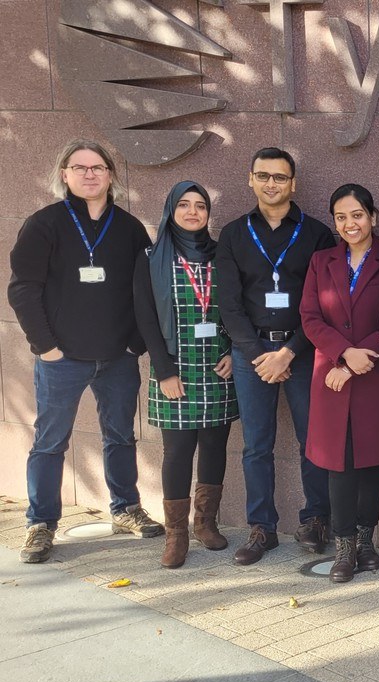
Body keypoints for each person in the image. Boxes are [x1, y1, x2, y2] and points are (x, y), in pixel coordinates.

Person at [10, 139, 162, 564]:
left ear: (110, 175)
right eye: (80, 168)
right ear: (64, 175)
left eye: (97, 167)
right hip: (63, 358)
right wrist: (46, 347)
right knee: (50, 441)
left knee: (119, 435)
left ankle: (126, 509)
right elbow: (23, 289)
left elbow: (145, 291)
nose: (89, 174)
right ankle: (40, 524)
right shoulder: (44, 224)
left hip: (117, 356)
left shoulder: (129, 228)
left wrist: (136, 343)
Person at [215, 147, 336, 565]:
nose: (271, 184)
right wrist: (258, 355)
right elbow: (228, 305)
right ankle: (261, 527)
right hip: (252, 354)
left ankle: (316, 519)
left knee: (312, 441)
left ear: (293, 183)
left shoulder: (317, 234)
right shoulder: (232, 235)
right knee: (256, 446)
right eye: (263, 176)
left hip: (302, 350)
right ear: (251, 179)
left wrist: (287, 352)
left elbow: (324, 303)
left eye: (280, 177)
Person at [300, 183, 379, 583]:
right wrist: (343, 355)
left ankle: (366, 540)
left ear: (373, 217)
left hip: (374, 376)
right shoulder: (320, 262)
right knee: (339, 464)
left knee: (373, 462)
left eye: (357, 215)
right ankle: (343, 545)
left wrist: (356, 359)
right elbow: (310, 318)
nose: (350, 224)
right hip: (331, 378)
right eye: (341, 217)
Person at [133, 181, 239, 569]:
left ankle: (205, 524)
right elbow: (144, 316)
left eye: (201, 206)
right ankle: (176, 535)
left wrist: (233, 352)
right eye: (184, 205)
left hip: (217, 365)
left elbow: (234, 307)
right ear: (170, 210)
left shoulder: (220, 255)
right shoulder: (151, 257)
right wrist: (163, 371)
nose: (193, 212)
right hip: (174, 368)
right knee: (178, 451)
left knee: (214, 446)